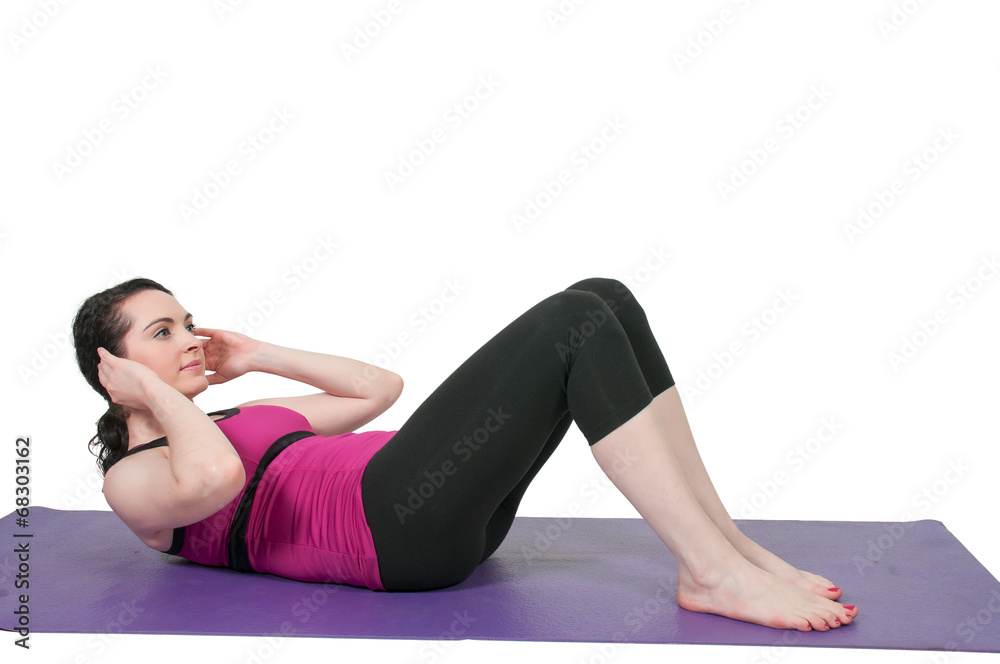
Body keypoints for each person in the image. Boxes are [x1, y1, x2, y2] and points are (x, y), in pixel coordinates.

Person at [72, 276, 858, 632]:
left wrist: (259, 354)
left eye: (187, 320)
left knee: (604, 299)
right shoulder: (133, 482)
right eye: (163, 332)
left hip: (435, 504)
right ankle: (709, 575)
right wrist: (146, 395)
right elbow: (211, 477)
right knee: (567, 322)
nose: (190, 339)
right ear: (115, 370)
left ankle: (728, 547)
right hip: (392, 531)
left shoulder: (239, 413)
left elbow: (376, 390)